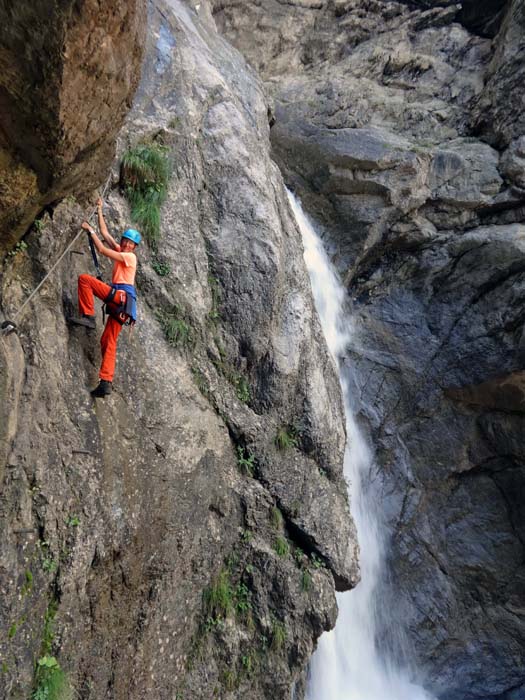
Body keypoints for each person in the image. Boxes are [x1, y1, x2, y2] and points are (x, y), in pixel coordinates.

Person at [68, 198, 141, 398]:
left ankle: (88, 316)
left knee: (85, 280)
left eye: (130, 243)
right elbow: (106, 234)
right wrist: (100, 210)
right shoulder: (122, 251)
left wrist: (88, 230)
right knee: (108, 340)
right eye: (125, 240)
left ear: (134, 247)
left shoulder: (130, 257)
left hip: (120, 298)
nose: (126, 244)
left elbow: (101, 248)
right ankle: (106, 382)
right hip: (122, 304)